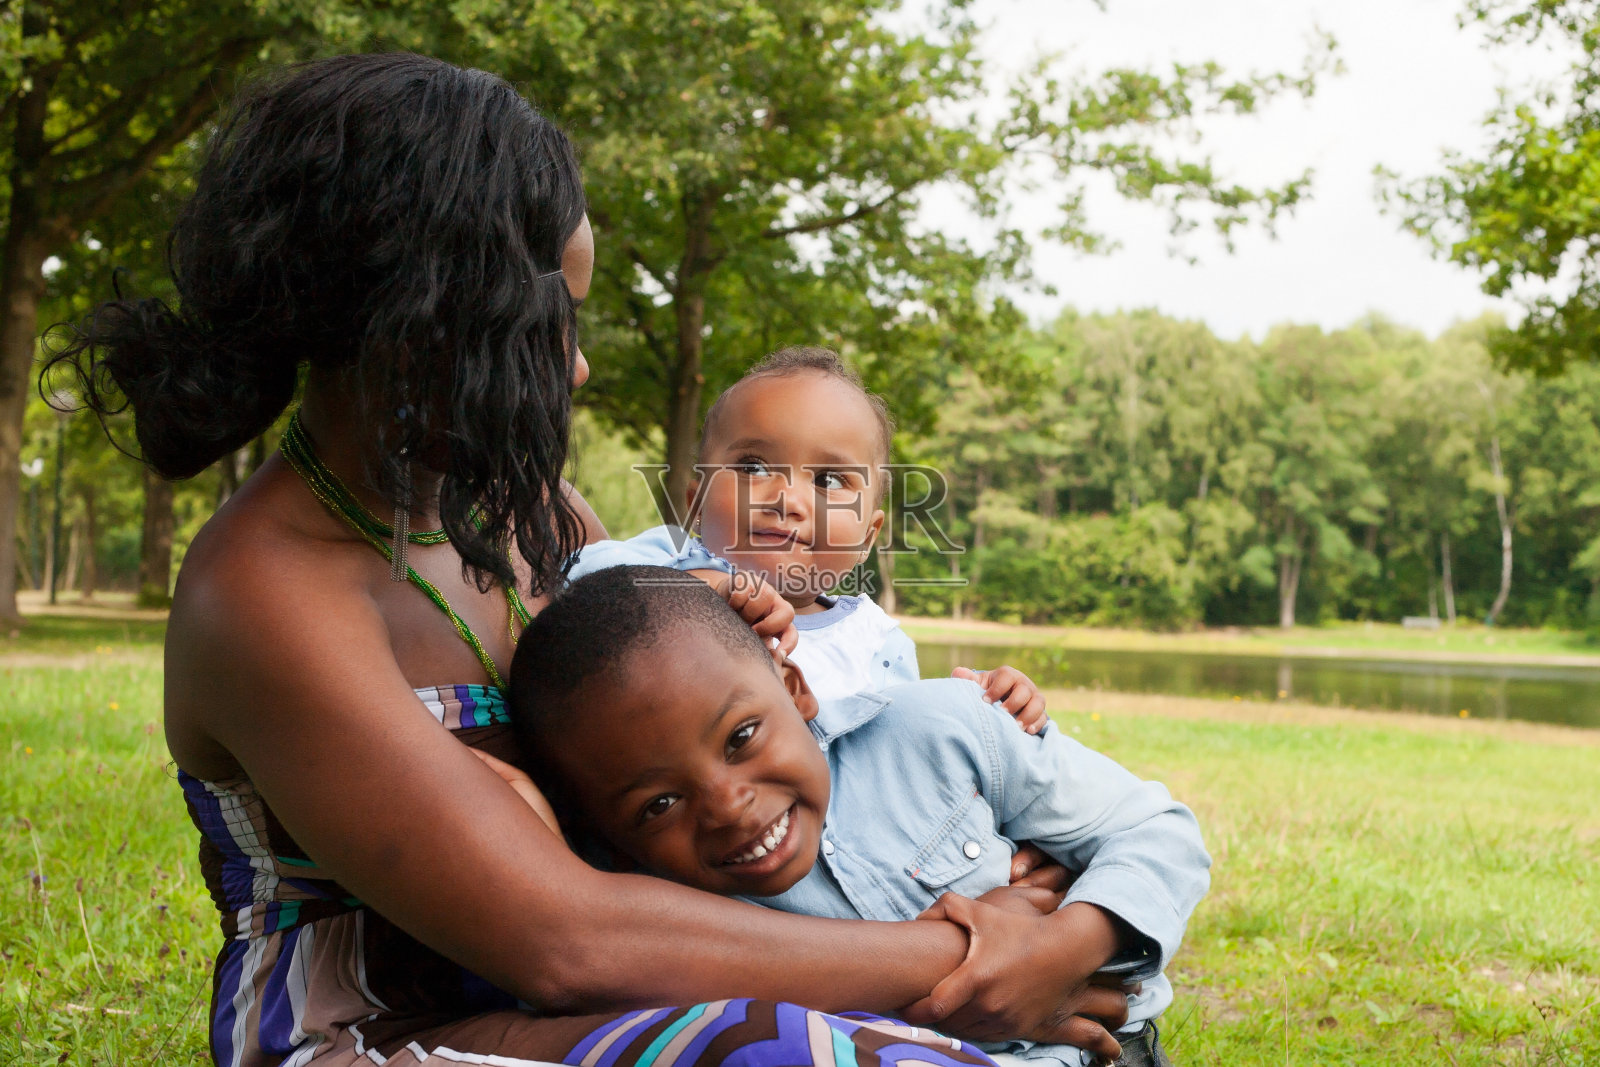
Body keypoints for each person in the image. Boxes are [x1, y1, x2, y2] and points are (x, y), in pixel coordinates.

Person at [45, 53, 1133, 1067]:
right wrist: (966, 953)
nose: (570, 366)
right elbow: (559, 934)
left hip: (598, 983)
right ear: (422, 321)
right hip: (374, 1024)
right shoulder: (267, 591)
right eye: (545, 324)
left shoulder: (530, 513)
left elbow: (714, 738)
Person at [504, 567, 1211, 1067]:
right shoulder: (656, 920)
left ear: (794, 687)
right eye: (658, 804)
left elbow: (1157, 830)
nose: (727, 805)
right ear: (605, 836)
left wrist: (1061, 948)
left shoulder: (947, 727)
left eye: (741, 736)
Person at [569, 347, 1048, 729]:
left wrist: (983, 702)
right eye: (753, 466)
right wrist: (697, 590)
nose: (788, 499)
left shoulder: (875, 641)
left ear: (867, 536)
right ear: (695, 503)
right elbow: (573, 584)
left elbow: (908, 742)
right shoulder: (663, 563)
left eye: (829, 480)